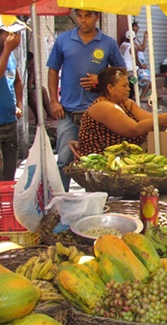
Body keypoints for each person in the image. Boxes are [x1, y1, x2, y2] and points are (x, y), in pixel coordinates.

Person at [47, 9, 126, 191]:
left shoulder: (108, 43)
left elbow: (121, 72)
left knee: (97, 163)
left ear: (97, 17)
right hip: (67, 111)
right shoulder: (63, 40)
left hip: (98, 113)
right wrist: (53, 100)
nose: (83, 20)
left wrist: (101, 79)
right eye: (79, 15)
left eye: (88, 16)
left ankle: (96, 203)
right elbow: (52, 70)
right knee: (64, 161)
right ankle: (60, 202)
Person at [78, 67, 167, 156]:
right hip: (104, 160)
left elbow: (149, 119)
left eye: (128, 85)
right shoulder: (103, 106)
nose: (129, 89)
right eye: (124, 86)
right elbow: (134, 129)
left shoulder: (126, 103)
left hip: (126, 155)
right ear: (110, 88)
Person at [0, 16, 24, 181]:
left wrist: (19, 104)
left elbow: (17, 81)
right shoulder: (7, 53)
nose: (14, 38)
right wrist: (7, 50)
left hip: (10, 121)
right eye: (8, 33)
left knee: (9, 172)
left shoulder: (12, 57)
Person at [120, 31, 151, 100]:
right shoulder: (133, 48)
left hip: (124, 69)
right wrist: (142, 66)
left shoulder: (123, 45)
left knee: (134, 81)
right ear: (134, 39)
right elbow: (136, 62)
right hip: (132, 71)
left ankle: (134, 94)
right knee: (148, 79)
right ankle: (142, 97)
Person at [27, 52, 55, 124]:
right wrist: (30, 74)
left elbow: (35, 84)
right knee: (31, 94)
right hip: (25, 91)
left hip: (29, 87)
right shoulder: (24, 70)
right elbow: (28, 87)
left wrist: (33, 73)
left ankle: (50, 114)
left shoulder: (31, 69)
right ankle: (38, 118)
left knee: (42, 89)